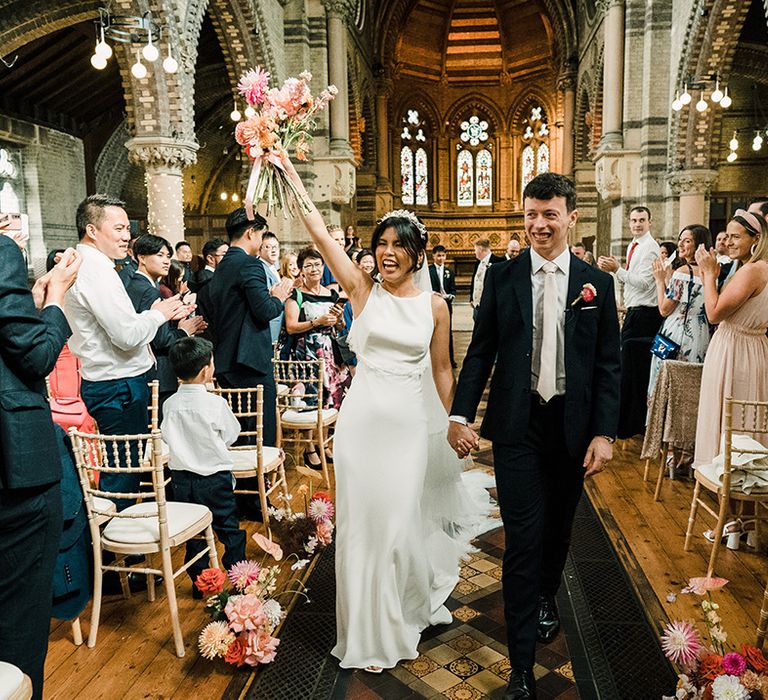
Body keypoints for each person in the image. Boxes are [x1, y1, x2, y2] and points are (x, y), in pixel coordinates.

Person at [281, 155, 495, 673]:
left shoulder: (436, 307)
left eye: (400, 245)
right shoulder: (361, 289)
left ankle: (407, 606)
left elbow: (444, 371)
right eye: (382, 244)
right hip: (361, 425)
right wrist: (287, 166)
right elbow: (319, 232)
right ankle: (369, 633)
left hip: (406, 430)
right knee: (362, 527)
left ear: (418, 254)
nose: (389, 253)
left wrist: (453, 421)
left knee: (399, 524)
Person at [449, 173, 621, 699]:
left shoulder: (598, 284)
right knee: (522, 540)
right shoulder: (503, 277)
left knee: (558, 533)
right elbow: (480, 352)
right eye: (531, 214)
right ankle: (520, 665)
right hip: (518, 425)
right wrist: (460, 415)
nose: (539, 224)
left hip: (571, 427)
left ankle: (547, 595)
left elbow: (609, 366)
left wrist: (604, 433)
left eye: (550, 214)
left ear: (571, 217)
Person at [63, 195, 190, 507]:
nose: (127, 236)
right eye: (118, 228)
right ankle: (111, 543)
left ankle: (118, 545)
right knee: (122, 471)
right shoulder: (95, 271)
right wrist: (160, 314)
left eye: (127, 228)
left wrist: (152, 314)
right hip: (117, 384)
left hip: (113, 380)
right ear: (92, 230)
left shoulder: (96, 265)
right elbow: (126, 335)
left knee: (126, 467)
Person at [0, 240, 79, 700]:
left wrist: (25, 302)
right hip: (14, 470)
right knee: (18, 623)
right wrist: (55, 301)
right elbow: (33, 356)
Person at [160, 337, 246, 597]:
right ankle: (240, 581)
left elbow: (166, 436)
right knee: (229, 529)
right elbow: (232, 433)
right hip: (215, 479)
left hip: (182, 481)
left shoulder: (169, 404)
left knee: (195, 533)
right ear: (206, 371)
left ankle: (201, 583)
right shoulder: (215, 403)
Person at [201, 208, 293, 448]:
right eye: (262, 236)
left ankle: (247, 482)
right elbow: (264, 311)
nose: (263, 243)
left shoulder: (223, 266)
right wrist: (278, 297)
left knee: (240, 429)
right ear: (251, 233)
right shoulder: (249, 265)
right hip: (249, 362)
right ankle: (260, 481)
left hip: (227, 360)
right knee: (262, 430)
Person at [693, 210, 768, 468]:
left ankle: (724, 474)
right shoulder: (757, 268)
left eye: (736, 237)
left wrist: (709, 274)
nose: (729, 242)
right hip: (754, 347)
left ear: (756, 239)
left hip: (734, 348)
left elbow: (714, 313)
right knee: (746, 415)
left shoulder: (752, 272)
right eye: (727, 237)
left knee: (730, 414)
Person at [598, 205, 662, 438]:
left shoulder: (650, 247)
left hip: (645, 315)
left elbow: (645, 283)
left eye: (641, 220)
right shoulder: (635, 245)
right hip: (635, 312)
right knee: (629, 371)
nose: (637, 224)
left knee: (633, 374)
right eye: (634, 220)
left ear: (650, 222)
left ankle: (629, 425)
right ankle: (626, 423)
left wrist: (617, 270)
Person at [125, 234, 206, 408]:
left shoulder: (135, 284)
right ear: (142, 257)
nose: (166, 261)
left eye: (168, 256)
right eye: (160, 255)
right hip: (157, 372)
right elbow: (161, 340)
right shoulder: (149, 290)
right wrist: (184, 330)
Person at [283, 248, 351, 415]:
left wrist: (339, 319)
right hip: (307, 353)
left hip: (331, 352)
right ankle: (313, 438)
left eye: (317, 265)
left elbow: (340, 327)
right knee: (313, 398)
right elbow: (291, 327)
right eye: (309, 266)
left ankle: (331, 435)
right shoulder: (296, 296)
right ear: (301, 270)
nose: (314, 269)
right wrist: (316, 322)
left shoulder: (332, 295)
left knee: (335, 396)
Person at [647, 225, 713, 399]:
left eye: (687, 241)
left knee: (667, 384)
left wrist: (660, 281)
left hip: (676, 333)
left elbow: (664, 309)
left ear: (699, 244)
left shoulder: (683, 273)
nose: (681, 245)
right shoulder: (712, 271)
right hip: (701, 333)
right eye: (680, 240)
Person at [429, 245, 457, 367]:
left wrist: (451, 295)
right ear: (433, 256)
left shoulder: (449, 271)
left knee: (447, 332)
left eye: (443, 255)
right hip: (433, 305)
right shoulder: (429, 271)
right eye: (439, 255)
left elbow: (453, 289)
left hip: (446, 305)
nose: (441, 258)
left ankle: (450, 360)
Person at [470, 239, 504, 321]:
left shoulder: (498, 262)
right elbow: (474, 280)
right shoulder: (478, 262)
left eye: (475, 250)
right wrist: (472, 298)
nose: (475, 253)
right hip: (477, 305)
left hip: (490, 306)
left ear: (480, 249)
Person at [260, 232, 283, 343]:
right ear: (260, 249)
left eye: (275, 247)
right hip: (270, 323)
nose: (273, 250)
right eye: (268, 247)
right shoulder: (261, 268)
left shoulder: (273, 268)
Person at [321, 225, 346, 290]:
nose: (340, 243)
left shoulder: (341, 260)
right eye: (336, 240)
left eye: (342, 239)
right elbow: (333, 292)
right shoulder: (331, 262)